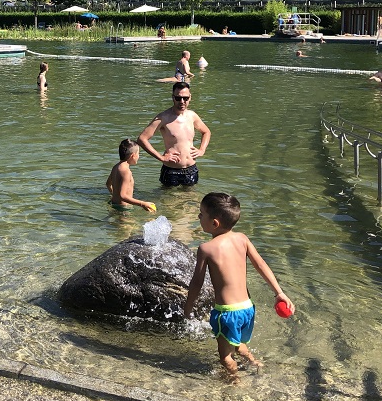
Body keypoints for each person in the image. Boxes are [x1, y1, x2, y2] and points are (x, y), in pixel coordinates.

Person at [184, 193, 294, 380]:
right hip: (247, 308)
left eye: (201, 214)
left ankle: (236, 383)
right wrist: (279, 293)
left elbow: (197, 283)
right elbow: (261, 265)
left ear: (215, 223)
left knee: (225, 356)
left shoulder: (206, 248)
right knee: (236, 341)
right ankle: (254, 362)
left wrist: (188, 307)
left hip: (227, 313)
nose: (198, 217)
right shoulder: (242, 239)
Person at [138, 81, 211, 187]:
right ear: (173, 97)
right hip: (171, 171)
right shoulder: (163, 117)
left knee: (191, 201)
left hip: (191, 169)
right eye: (178, 98)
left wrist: (202, 150)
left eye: (185, 98)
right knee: (168, 201)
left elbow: (206, 132)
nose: (182, 101)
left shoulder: (192, 116)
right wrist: (161, 158)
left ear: (190, 97)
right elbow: (142, 138)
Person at [106, 140, 157, 212]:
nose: (139, 157)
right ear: (133, 156)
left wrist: (114, 196)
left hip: (114, 205)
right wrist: (143, 204)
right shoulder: (126, 172)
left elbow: (108, 184)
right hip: (124, 209)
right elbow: (122, 195)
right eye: (138, 154)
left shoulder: (116, 167)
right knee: (128, 223)